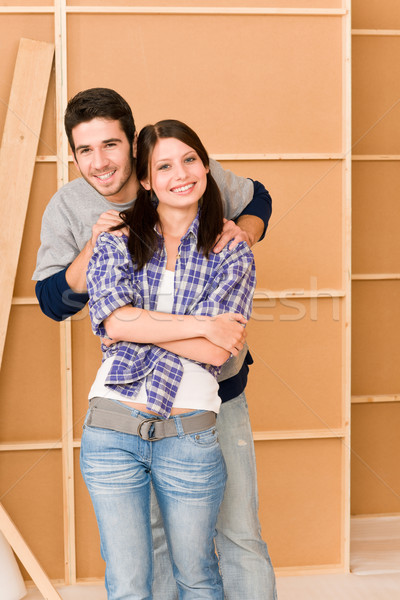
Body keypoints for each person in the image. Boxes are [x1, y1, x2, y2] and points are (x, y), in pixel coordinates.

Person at [32, 88, 277, 600]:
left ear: (133, 147)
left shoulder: (183, 173)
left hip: (213, 399)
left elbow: (258, 198)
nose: (100, 162)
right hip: (126, 404)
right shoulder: (81, 213)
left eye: (111, 145)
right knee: (153, 546)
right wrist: (95, 251)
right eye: (85, 150)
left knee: (238, 534)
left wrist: (242, 235)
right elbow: (62, 303)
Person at [82, 118, 256, 599]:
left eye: (189, 160)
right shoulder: (116, 239)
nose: (180, 173)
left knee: (198, 578)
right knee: (128, 585)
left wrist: (140, 324)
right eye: (163, 165)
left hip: (190, 436)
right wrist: (201, 322)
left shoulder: (232, 250)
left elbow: (218, 352)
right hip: (111, 431)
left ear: (204, 166)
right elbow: (115, 322)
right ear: (145, 179)